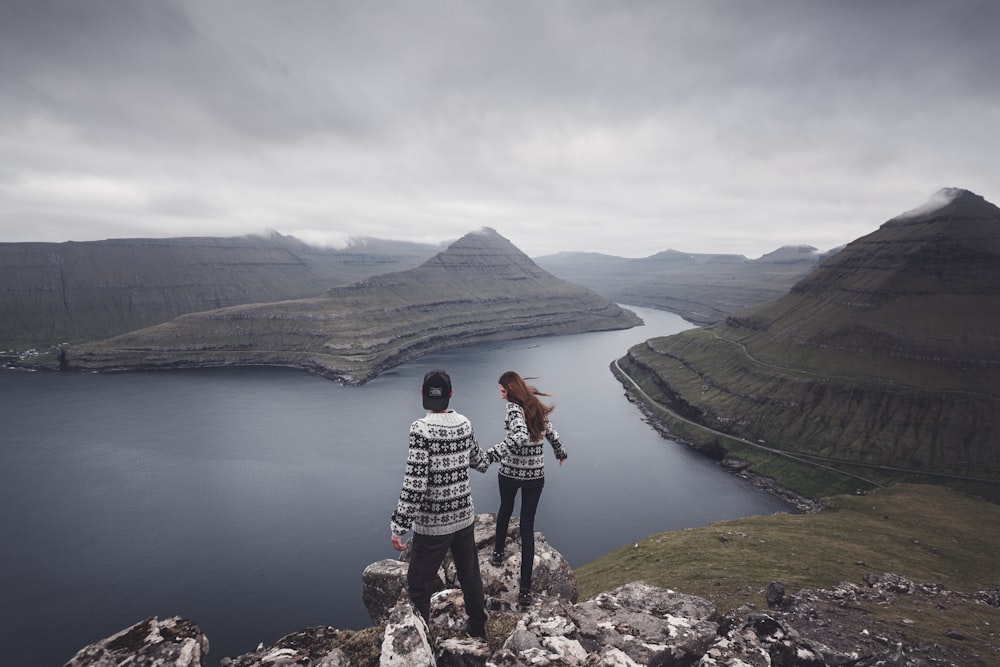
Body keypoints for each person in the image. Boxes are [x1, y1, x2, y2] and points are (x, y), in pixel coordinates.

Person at [390, 369, 490, 639]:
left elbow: (416, 481)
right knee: (470, 576)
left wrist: (399, 525)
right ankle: (479, 630)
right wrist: (505, 448)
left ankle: (422, 645)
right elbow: (479, 462)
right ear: (451, 394)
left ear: (423, 394)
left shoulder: (420, 429)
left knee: (419, 586)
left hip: (434, 523)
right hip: (463, 516)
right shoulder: (465, 424)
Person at [484, 371, 567, 607]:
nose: (501, 396)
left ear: (511, 390)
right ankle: (525, 591)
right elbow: (552, 433)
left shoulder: (512, 407)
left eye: (503, 391)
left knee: (505, 510)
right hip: (534, 476)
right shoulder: (534, 406)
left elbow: (519, 435)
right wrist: (560, 452)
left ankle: (498, 554)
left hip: (510, 472)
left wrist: (491, 455)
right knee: (527, 526)